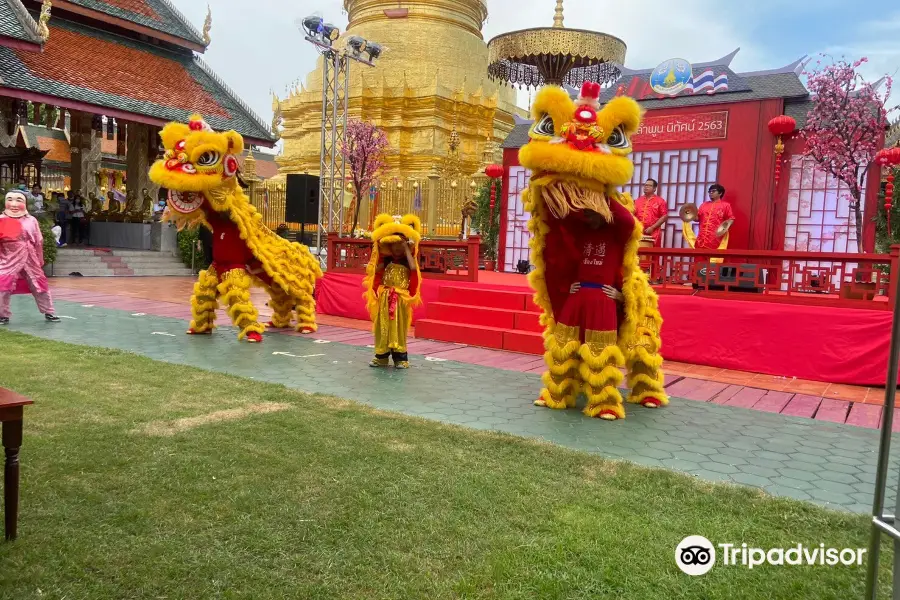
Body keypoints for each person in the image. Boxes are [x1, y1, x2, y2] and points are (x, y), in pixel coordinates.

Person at [364, 213, 422, 369]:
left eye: (399, 246)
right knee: (383, 327)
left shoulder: (407, 260)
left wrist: (406, 249)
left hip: (400, 298)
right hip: (385, 297)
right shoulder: (387, 260)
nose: (396, 249)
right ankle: (381, 356)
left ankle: (400, 358)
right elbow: (375, 271)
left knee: (399, 327)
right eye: (393, 245)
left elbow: (413, 268)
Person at [0, 190, 60, 324]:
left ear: (25, 203)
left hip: (30, 256)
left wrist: (40, 258)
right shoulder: (2, 220)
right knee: (3, 286)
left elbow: (38, 240)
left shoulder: (31, 220)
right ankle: (2, 315)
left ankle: (49, 311)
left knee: (40, 284)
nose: (14, 204)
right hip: (8, 258)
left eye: (18, 200)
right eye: (10, 200)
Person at [634, 178, 668, 282]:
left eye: (649, 185)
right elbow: (633, 215)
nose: (646, 187)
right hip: (639, 232)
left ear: (654, 188)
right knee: (637, 253)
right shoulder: (638, 200)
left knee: (654, 255)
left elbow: (664, 216)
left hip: (654, 231)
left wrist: (652, 227)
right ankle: (638, 276)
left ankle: (654, 277)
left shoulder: (660, 201)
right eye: (645, 185)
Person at [693, 183, 735, 251]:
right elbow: (697, 219)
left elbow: (731, 219)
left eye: (713, 191)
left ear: (720, 193)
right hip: (701, 238)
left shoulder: (725, 205)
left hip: (715, 239)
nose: (710, 193)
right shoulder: (704, 205)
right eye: (709, 191)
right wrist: (690, 215)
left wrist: (724, 228)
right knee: (699, 260)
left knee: (713, 260)